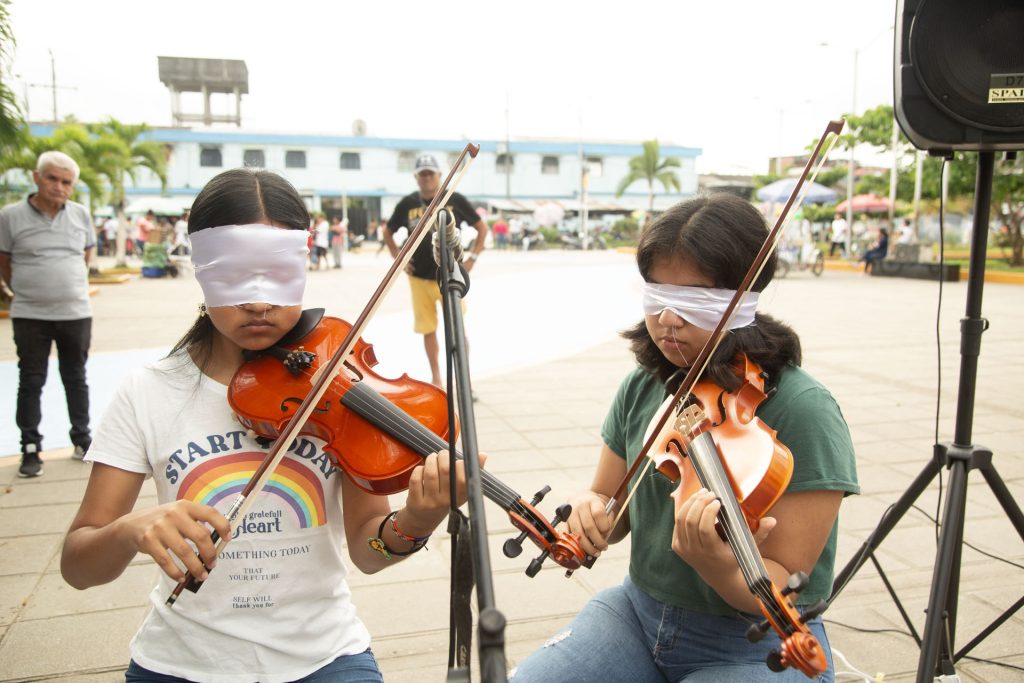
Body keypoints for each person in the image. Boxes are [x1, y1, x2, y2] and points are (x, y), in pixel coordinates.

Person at [60, 167, 478, 683]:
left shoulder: (337, 384)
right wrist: (129, 530)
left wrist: (415, 520)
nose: (259, 302)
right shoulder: (148, 390)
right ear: (201, 266)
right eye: (234, 276)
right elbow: (78, 567)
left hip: (326, 659)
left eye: (278, 275)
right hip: (180, 665)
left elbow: (369, 551)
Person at [510, 194, 859, 682]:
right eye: (657, 296)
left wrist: (717, 565)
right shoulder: (646, 384)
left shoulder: (804, 409)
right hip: (636, 614)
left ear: (744, 301)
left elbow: (783, 583)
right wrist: (590, 511)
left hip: (750, 640)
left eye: (694, 301)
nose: (668, 319)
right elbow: (611, 504)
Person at [0, 150, 95, 477]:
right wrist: (31, 290)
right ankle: (30, 446)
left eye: (67, 182)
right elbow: (5, 263)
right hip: (30, 314)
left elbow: (85, 256)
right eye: (53, 178)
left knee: (76, 378)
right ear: (36, 177)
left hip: (76, 312)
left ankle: (82, 438)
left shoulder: (81, 214)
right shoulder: (10, 216)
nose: (60, 186)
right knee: (31, 379)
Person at [383, 153, 488, 387]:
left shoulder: (454, 199)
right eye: (423, 174)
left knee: (457, 329)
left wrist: (472, 257)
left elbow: (482, 229)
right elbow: (387, 231)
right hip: (418, 277)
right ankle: (437, 378)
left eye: (431, 173)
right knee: (427, 329)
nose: (427, 178)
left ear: (440, 175)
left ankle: (463, 379)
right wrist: (398, 258)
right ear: (416, 177)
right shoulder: (408, 203)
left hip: (449, 277)